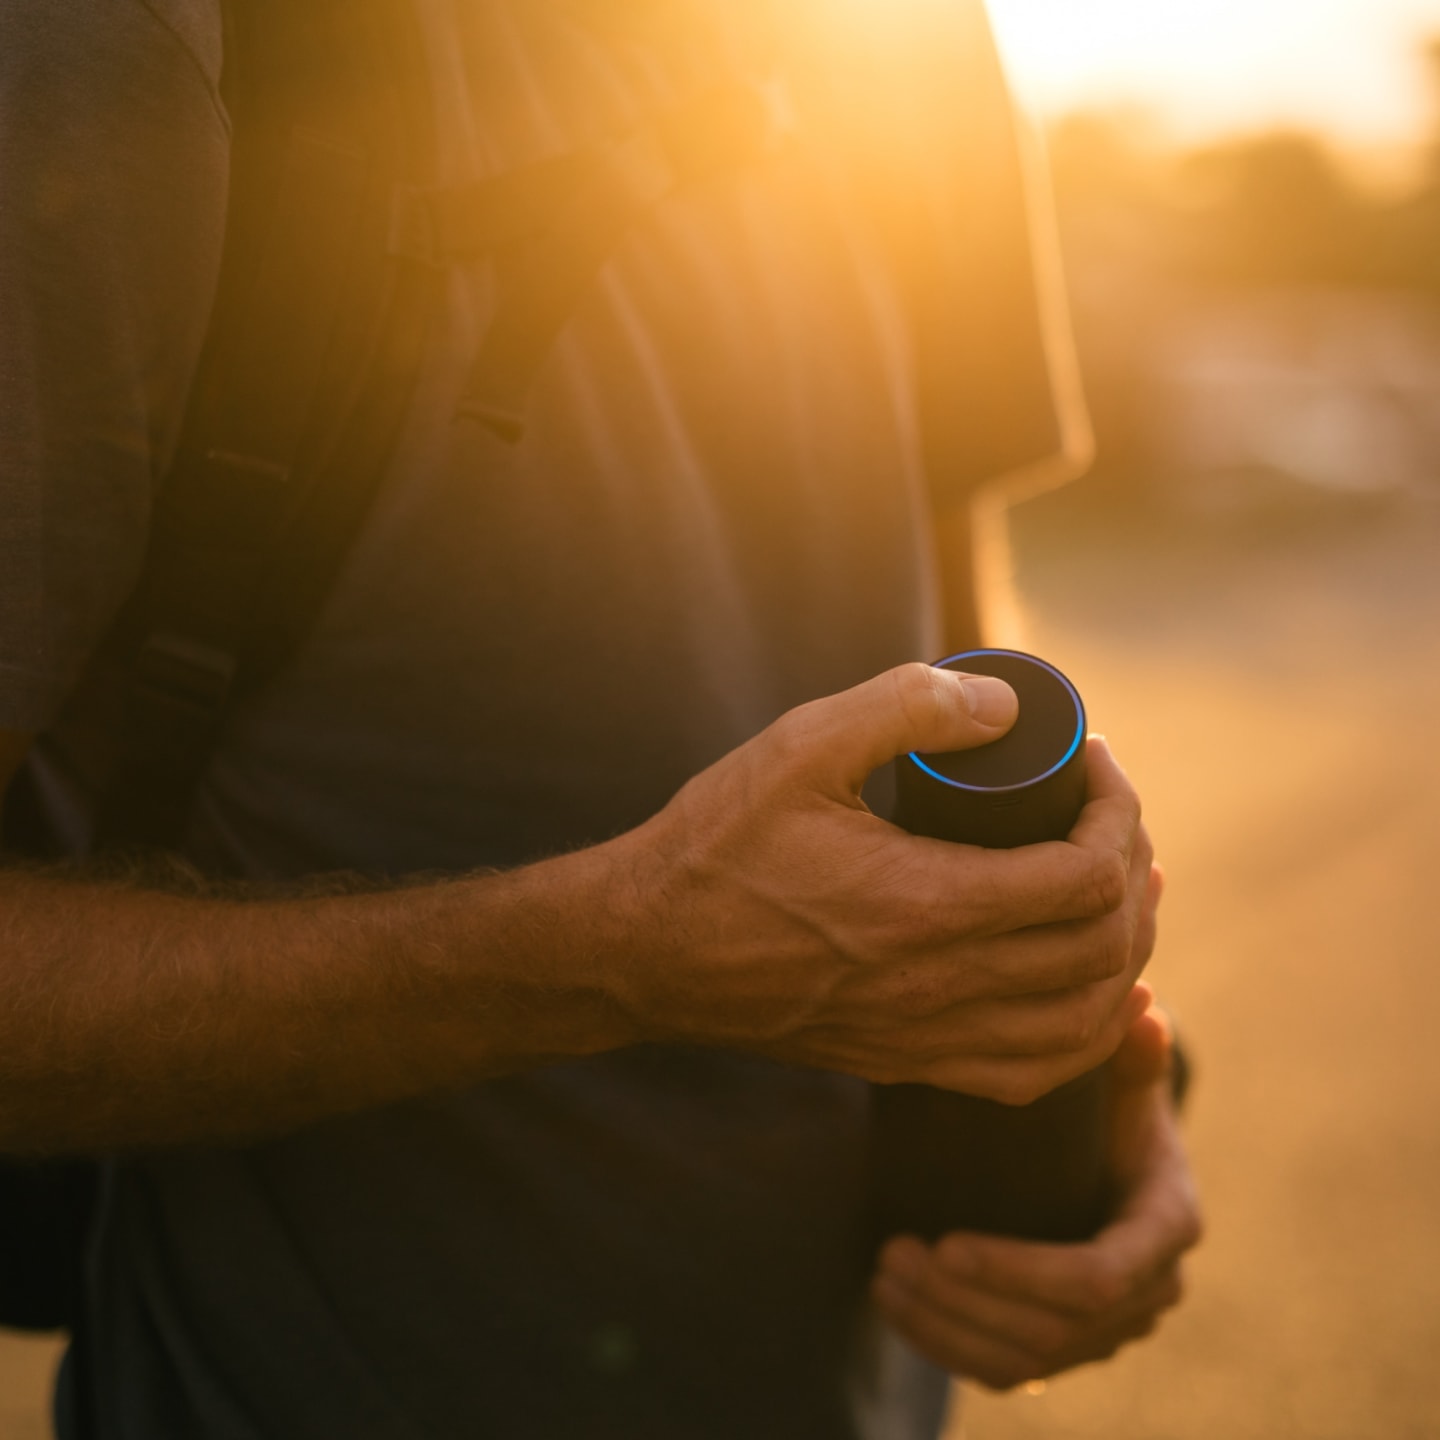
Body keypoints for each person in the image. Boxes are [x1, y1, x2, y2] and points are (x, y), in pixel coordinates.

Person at [0, 0, 1201, 1435]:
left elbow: (968, 690)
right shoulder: (120, 44)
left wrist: (1104, 1071)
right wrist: (613, 960)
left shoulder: (911, 45)